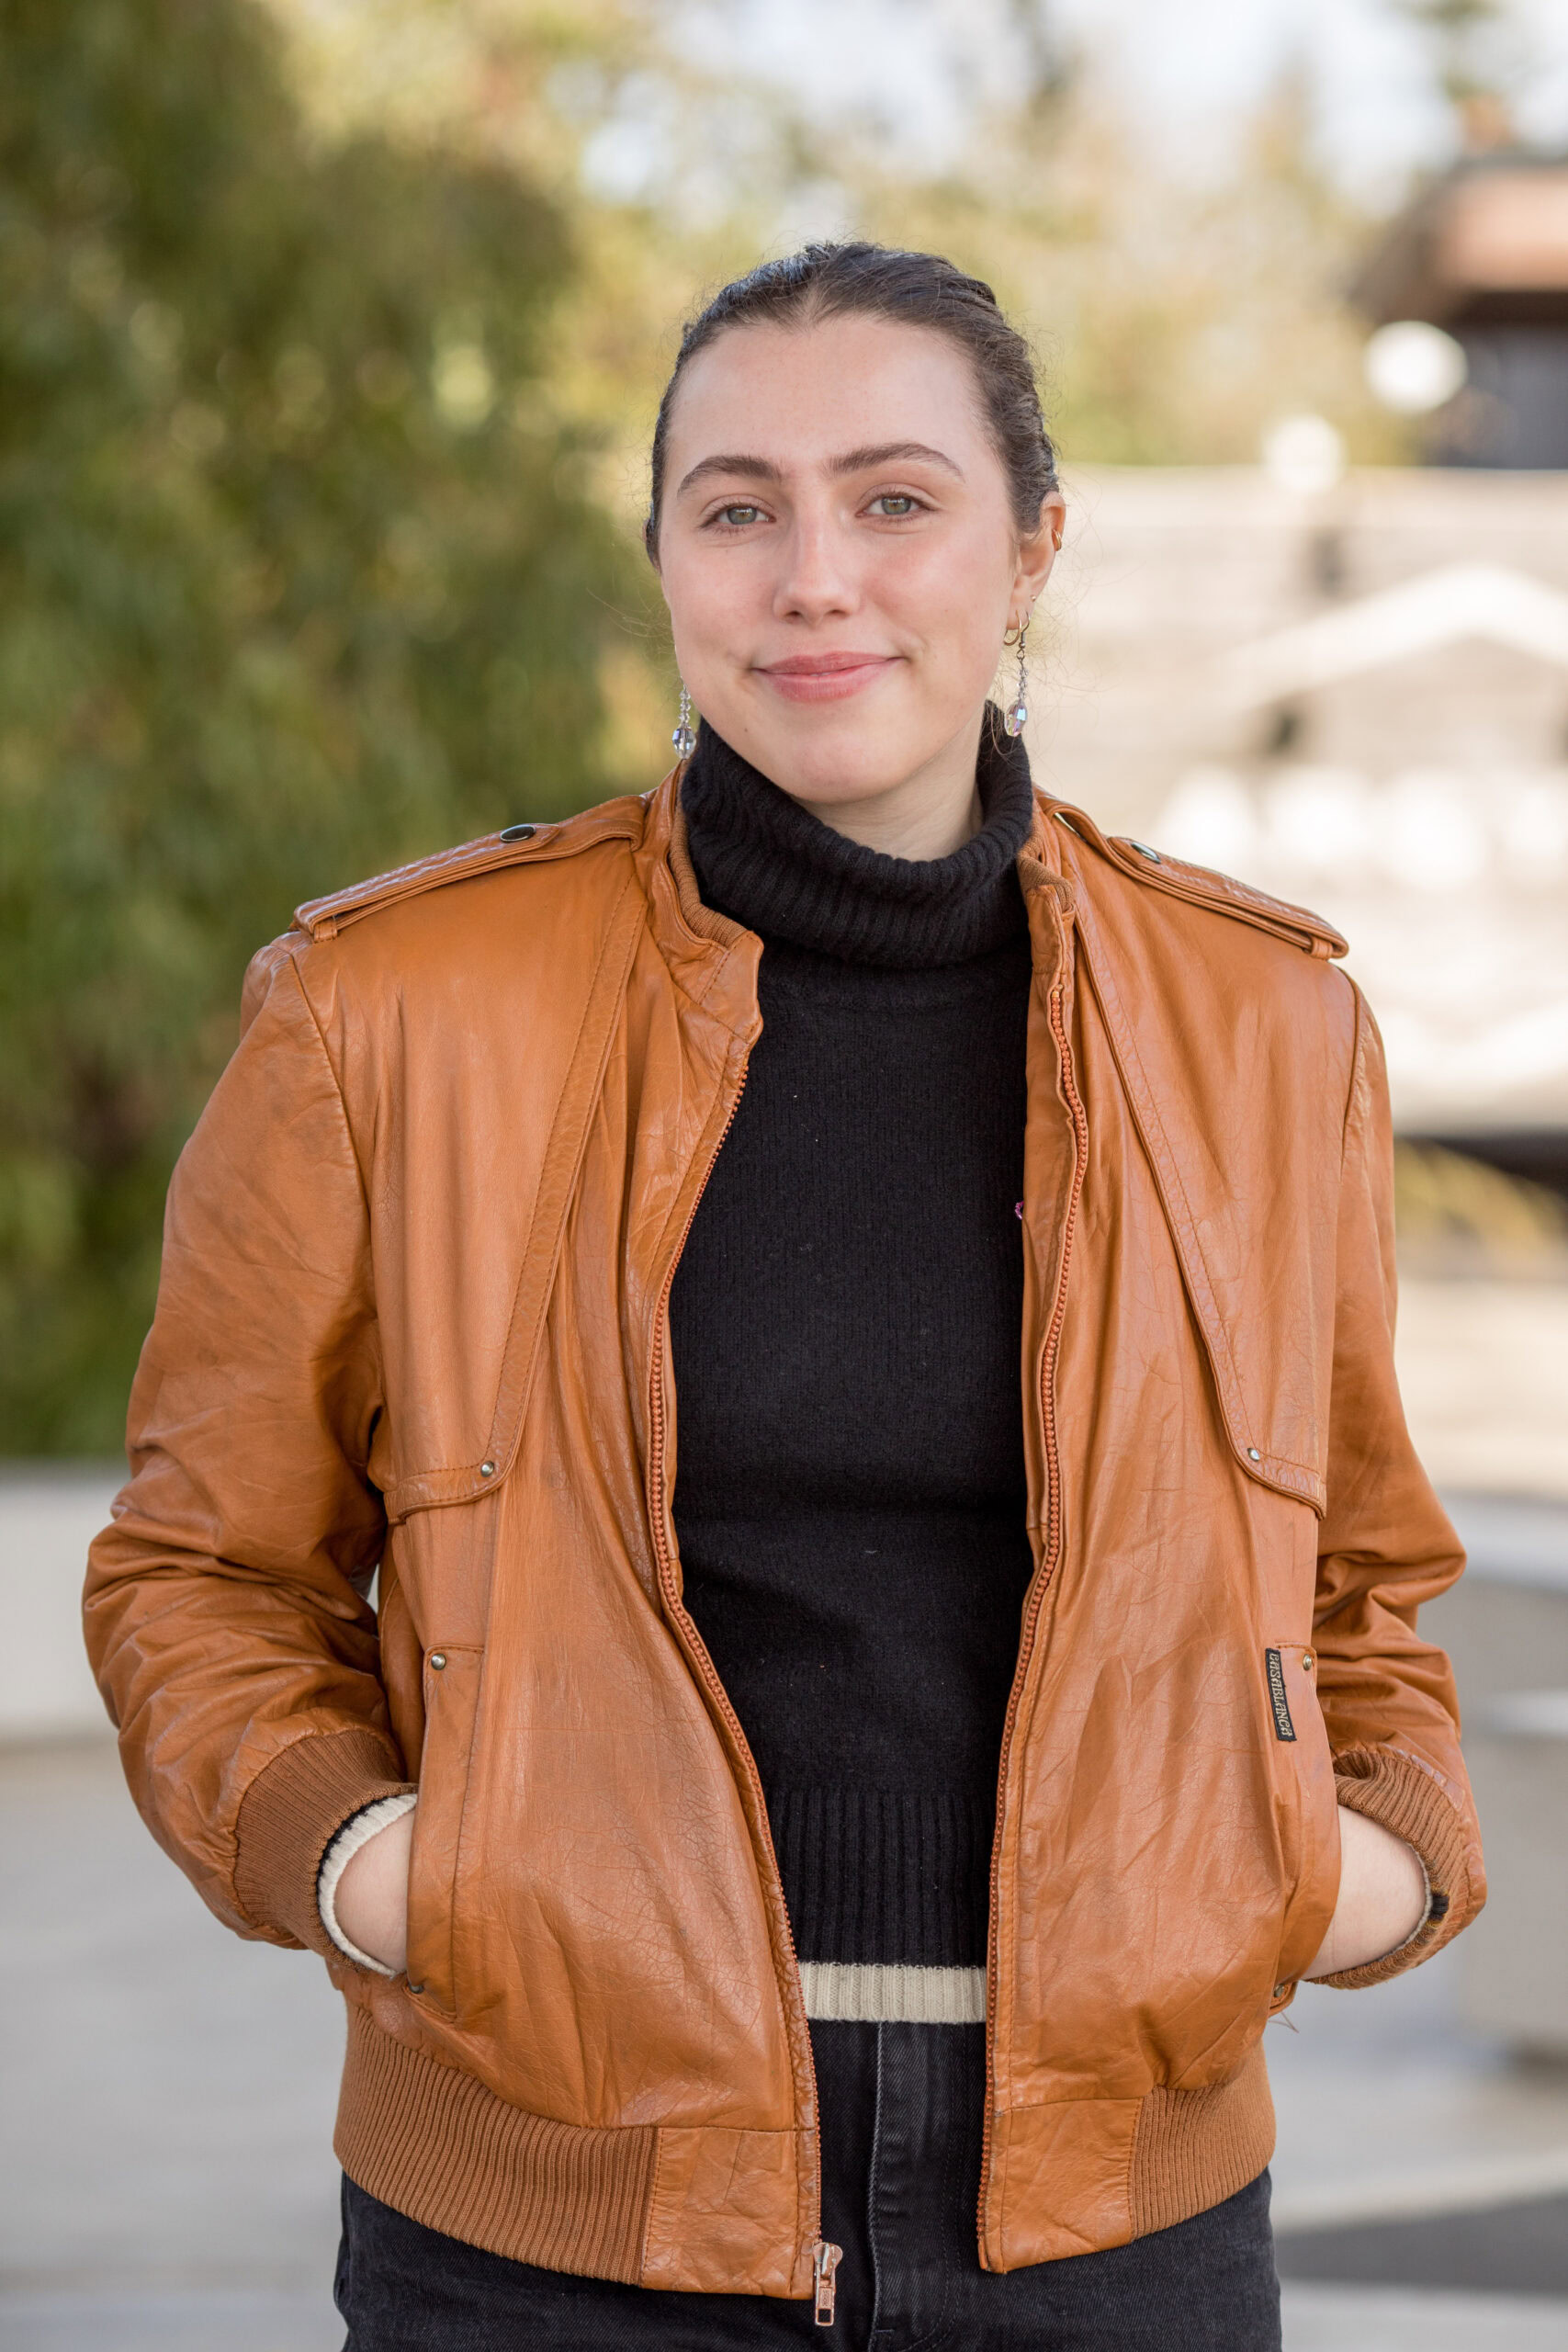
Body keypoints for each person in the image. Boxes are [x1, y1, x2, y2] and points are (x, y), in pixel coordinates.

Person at [85, 243, 1483, 2351]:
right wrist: (383, 1866)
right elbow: (200, 1568)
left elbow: (1363, 1579)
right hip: (549, 2217)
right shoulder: (391, 1009)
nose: (812, 574)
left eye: (894, 499)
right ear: (663, 560)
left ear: (1029, 553)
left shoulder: (1260, 1024)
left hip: (1122, 2217)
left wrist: (1344, 1860)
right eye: (737, 507)